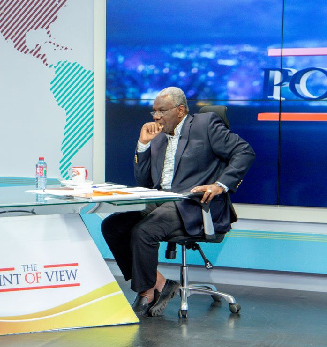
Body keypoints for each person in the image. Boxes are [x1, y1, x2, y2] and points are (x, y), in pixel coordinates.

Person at [101, 87, 255, 318]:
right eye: (153, 111)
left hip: (194, 204)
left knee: (144, 231)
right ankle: (160, 282)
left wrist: (219, 185)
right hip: (162, 201)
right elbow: (144, 181)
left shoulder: (205, 124)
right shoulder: (159, 136)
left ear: (180, 110)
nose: (156, 117)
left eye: (161, 111)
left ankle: (146, 292)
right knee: (113, 225)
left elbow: (244, 151)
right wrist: (143, 145)